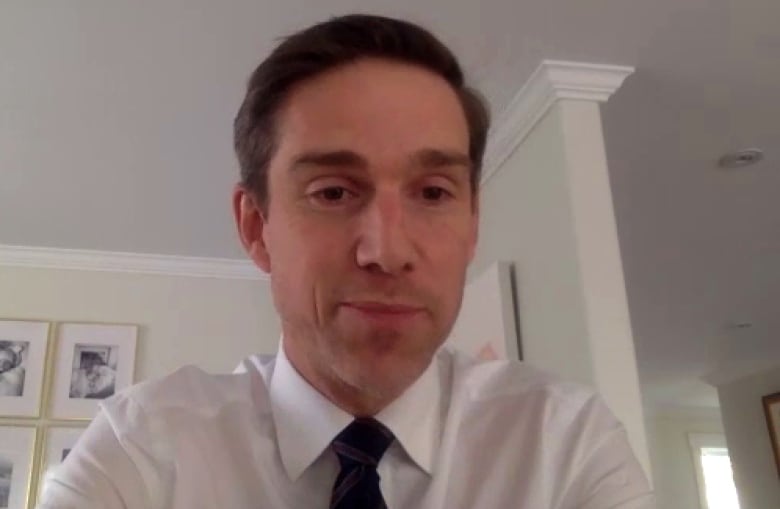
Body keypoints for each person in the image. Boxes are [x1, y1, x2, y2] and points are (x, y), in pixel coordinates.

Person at [38, 14, 654, 509]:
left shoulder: (566, 445)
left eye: (434, 192)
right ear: (256, 227)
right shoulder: (141, 452)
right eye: (333, 192)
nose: (386, 252)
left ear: (472, 225)